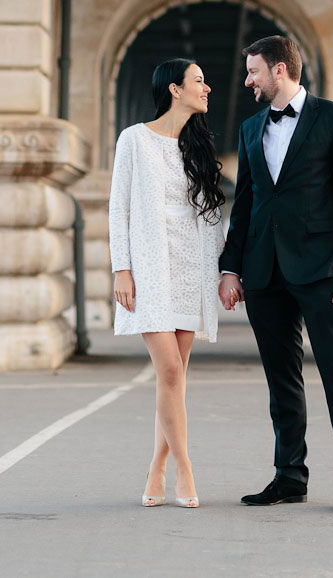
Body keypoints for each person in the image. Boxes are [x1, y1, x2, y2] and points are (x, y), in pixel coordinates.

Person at [218, 35, 333, 515]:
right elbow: (244, 205)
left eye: (253, 72)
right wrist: (230, 267)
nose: (248, 81)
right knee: (281, 381)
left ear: (280, 70)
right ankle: (289, 477)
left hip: (322, 270)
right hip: (264, 272)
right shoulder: (250, 129)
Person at [109, 59, 225, 509]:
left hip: (191, 270)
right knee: (170, 371)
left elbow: (212, 219)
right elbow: (119, 208)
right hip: (151, 270)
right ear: (175, 89)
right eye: (199, 81)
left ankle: (155, 468)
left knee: (173, 380)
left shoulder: (197, 146)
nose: (207, 88)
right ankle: (184, 467)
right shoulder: (134, 139)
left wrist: (222, 273)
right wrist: (123, 267)